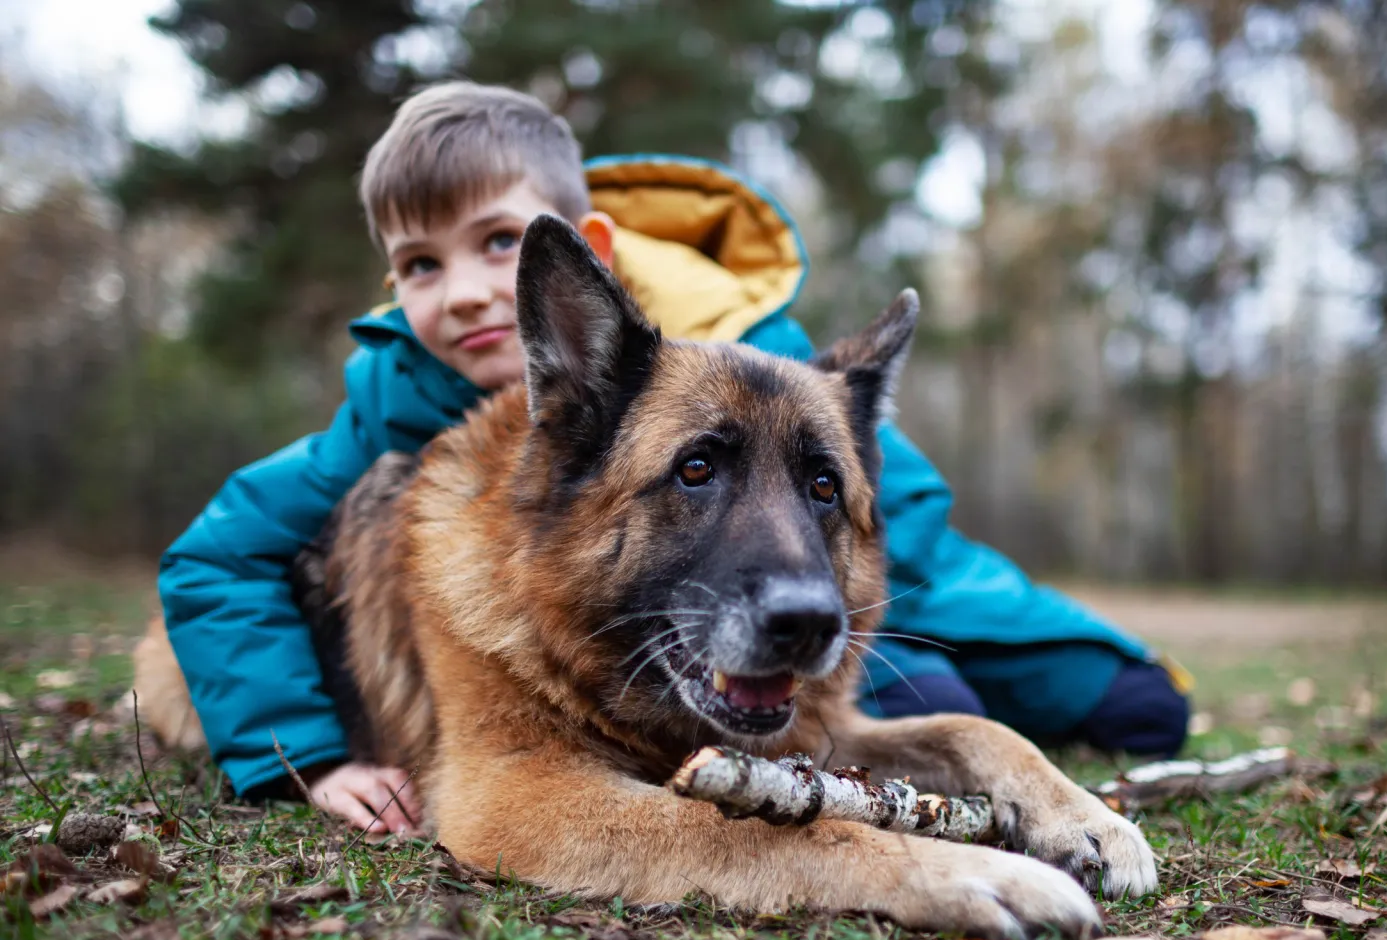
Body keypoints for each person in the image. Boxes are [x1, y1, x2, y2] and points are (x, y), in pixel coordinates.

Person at [158, 82, 1191, 838]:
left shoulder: (760, 354)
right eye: (421, 266)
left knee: (1131, 707)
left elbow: (890, 495)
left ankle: (937, 668)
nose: (468, 292)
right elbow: (215, 560)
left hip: (868, 575)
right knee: (909, 687)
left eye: (500, 246)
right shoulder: (388, 413)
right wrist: (299, 753)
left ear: (585, 254)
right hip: (643, 596)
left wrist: (835, 586)